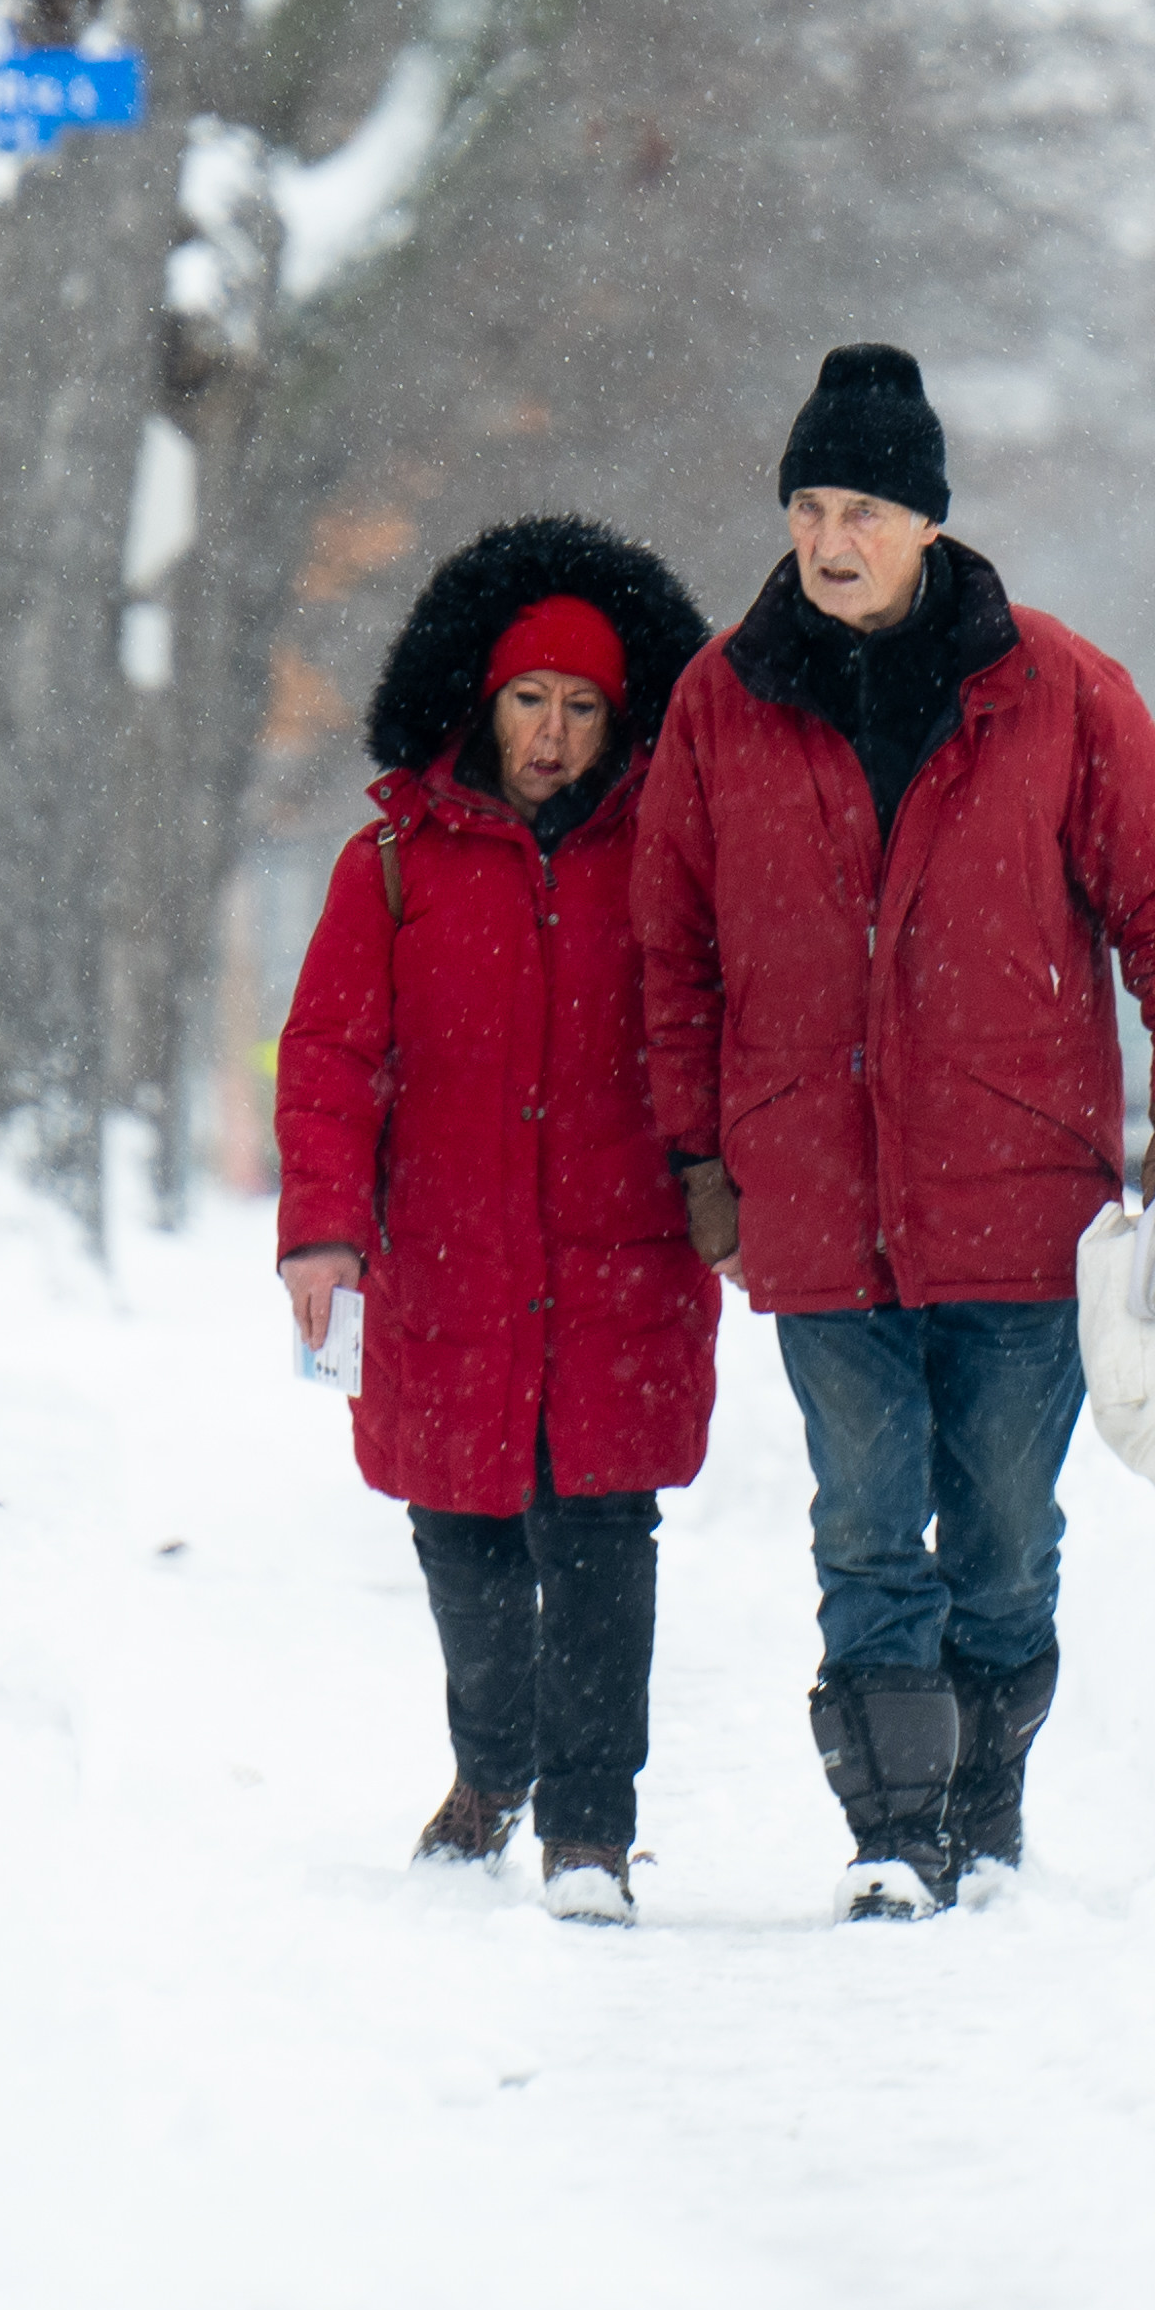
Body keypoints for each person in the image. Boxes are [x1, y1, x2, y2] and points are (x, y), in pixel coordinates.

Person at [633, 341, 1155, 1917]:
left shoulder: (1054, 688)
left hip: (1018, 1195)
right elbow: (676, 951)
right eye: (808, 506)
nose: (830, 539)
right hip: (814, 1196)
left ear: (926, 524)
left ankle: (984, 1809)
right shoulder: (721, 700)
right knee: (860, 1525)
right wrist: (702, 1152)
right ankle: (893, 1838)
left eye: (864, 509)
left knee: (1000, 1533)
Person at [271, 515, 722, 1924]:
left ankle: (590, 1824)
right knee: (460, 1532)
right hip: (447, 1262)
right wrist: (322, 1230)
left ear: (620, 716)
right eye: (530, 700)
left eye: (582, 708)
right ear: (479, 700)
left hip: (617, 1258)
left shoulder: (667, 857)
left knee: (601, 1537)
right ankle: (492, 1762)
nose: (550, 734)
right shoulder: (392, 862)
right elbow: (330, 1056)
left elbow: (725, 1018)